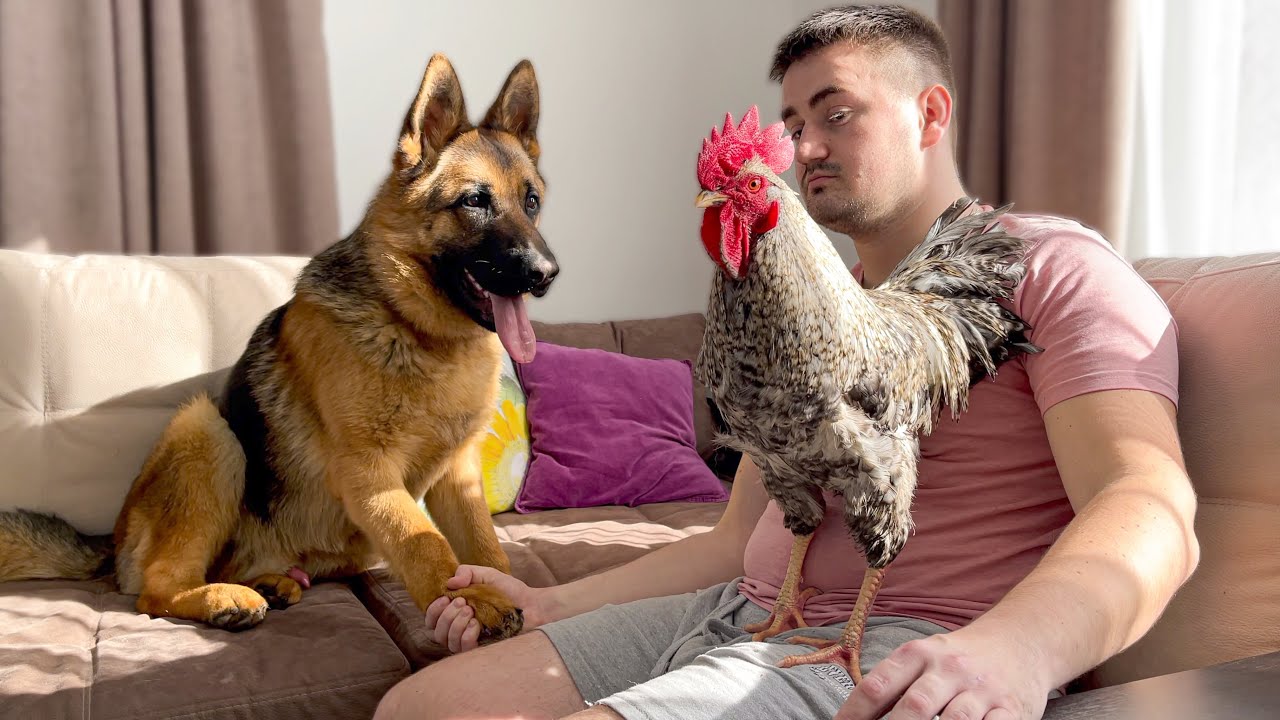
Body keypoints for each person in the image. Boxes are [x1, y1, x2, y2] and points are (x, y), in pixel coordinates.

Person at [373, 5, 1199, 720]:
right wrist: (548, 601)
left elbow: (1147, 499)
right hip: (745, 609)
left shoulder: (1054, 266)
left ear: (931, 114)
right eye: (797, 124)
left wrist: (1019, 651)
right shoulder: (812, 308)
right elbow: (736, 537)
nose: (805, 147)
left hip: (906, 635)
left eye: (837, 114)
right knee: (419, 706)